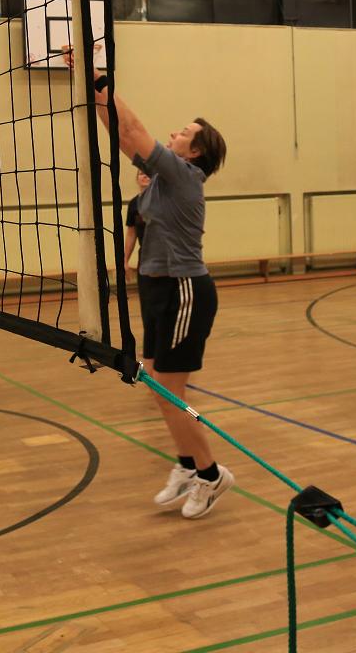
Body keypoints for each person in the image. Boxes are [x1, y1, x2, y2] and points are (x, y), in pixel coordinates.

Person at [65, 48, 232, 519]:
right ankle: (187, 465)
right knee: (160, 388)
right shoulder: (157, 183)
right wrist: (91, 86)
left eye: (183, 132)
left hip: (185, 291)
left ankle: (212, 474)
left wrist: (97, 75)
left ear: (194, 151)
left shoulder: (182, 176)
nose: (174, 134)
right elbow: (121, 133)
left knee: (170, 389)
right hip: (156, 288)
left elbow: (133, 129)